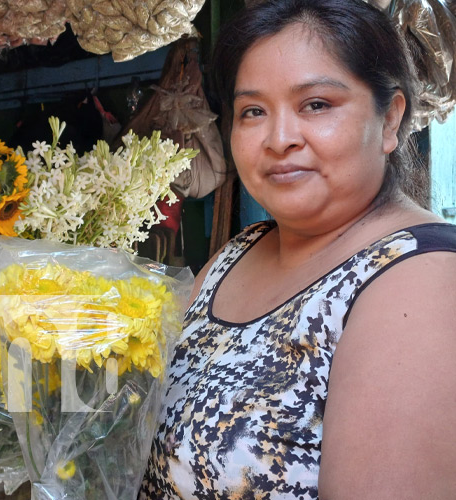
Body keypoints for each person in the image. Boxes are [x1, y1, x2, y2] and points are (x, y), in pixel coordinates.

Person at [139, 0, 456, 498]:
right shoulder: (234, 256)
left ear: (390, 119)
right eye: (253, 112)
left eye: (316, 105)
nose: (279, 138)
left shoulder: (420, 279)